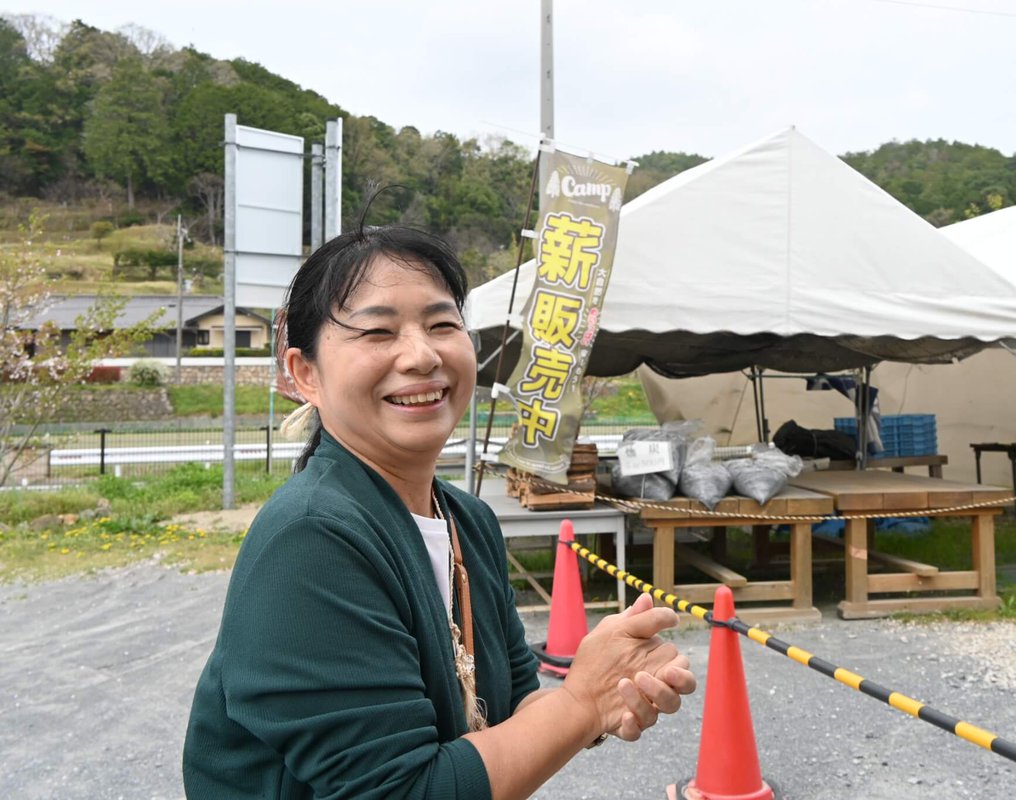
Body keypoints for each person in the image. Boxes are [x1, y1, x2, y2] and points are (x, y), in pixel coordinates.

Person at [182, 224, 695, 799]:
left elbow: (513, 706)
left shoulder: (467, 521)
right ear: (305, 374)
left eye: (443, 325)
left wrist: (603, 696)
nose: (422, 355)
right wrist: (580, 704)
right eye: (377, 331)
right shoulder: (312, 539)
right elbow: (402, 791)